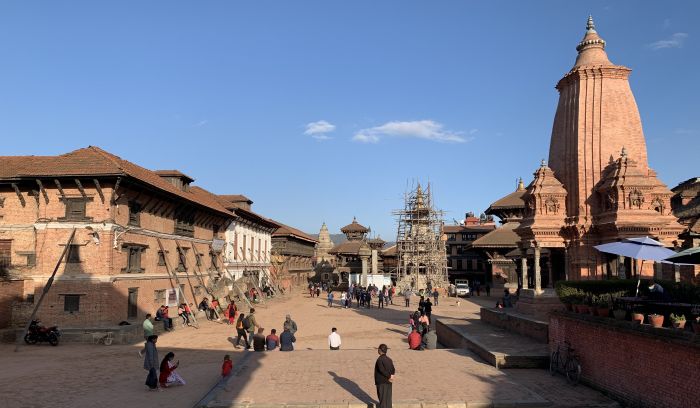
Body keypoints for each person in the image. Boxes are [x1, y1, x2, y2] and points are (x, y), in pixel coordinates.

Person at [374, 344, 395, 408]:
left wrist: (389, 376)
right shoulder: (389, 359)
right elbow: (393, 369)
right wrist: (391, 377)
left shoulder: (379, 359)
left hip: (381, 382)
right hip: (389, 382)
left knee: (382, 400)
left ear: (380, 350)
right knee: (388, 400)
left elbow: (381, 370)